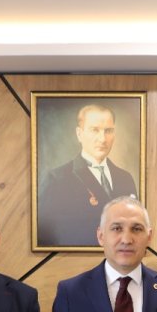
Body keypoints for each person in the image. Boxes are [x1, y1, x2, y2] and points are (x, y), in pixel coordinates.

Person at [37, 104, 139, 247]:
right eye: (94, 130)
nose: (102, 139)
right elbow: (45, 236)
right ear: (79, 134)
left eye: (108, 131)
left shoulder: (125, 178)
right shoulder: (56, 179)